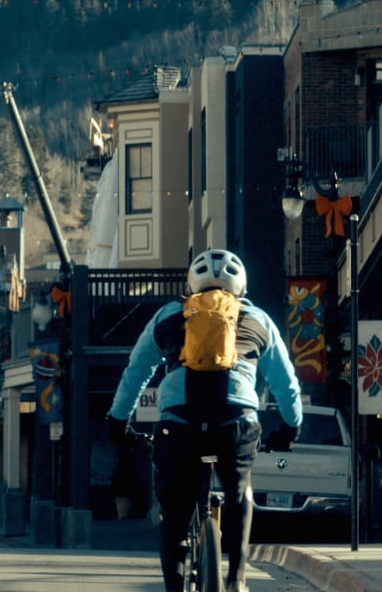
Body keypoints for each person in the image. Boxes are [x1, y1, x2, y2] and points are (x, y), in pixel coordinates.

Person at [107, 249, 302, 592]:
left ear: (192, 284)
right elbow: (286, 383)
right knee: (239, 492)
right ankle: (236, 578)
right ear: (241, 286)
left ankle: (175, 583)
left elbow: (136, 372)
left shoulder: (168, 315)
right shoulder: (258, 318)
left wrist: (118, 420)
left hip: (179, 423)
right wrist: (291, 426)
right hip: (235, 422)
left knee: (174, 511)